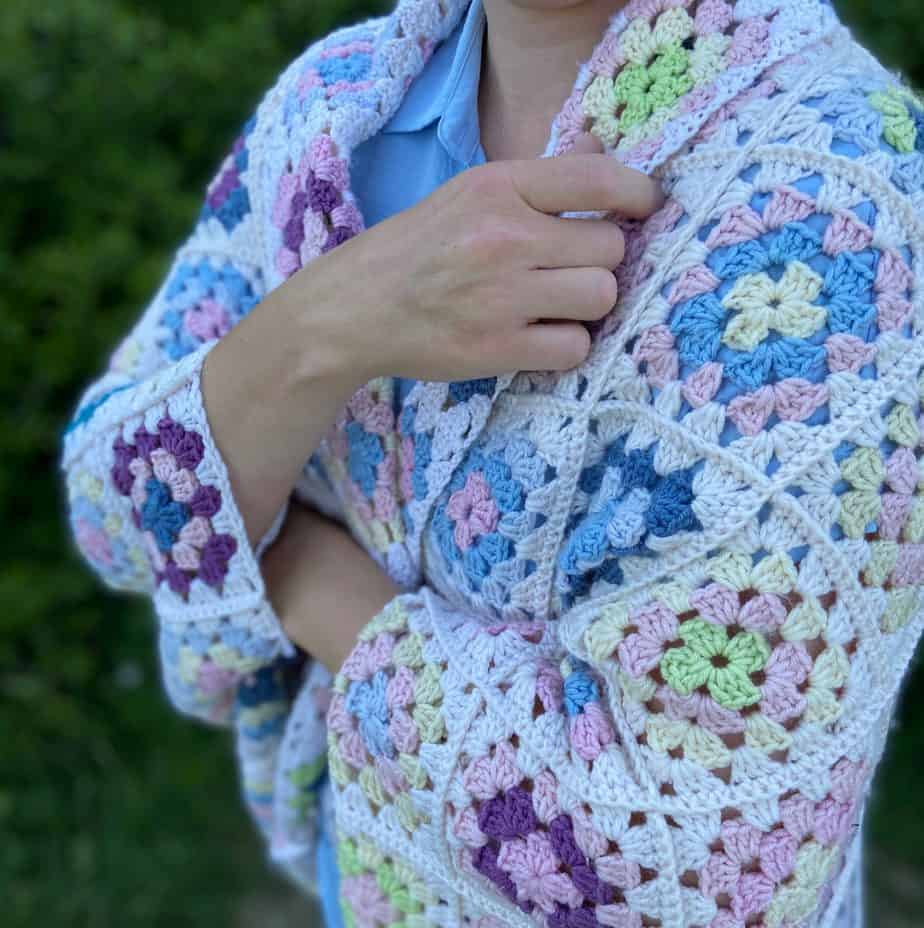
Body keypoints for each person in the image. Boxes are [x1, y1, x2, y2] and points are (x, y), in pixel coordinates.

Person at [62, 0, 924, 925]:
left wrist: (296, 571)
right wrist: (322, 327)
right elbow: (110, 507)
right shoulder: (334, 112)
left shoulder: (850, 200)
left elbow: (695, 879)